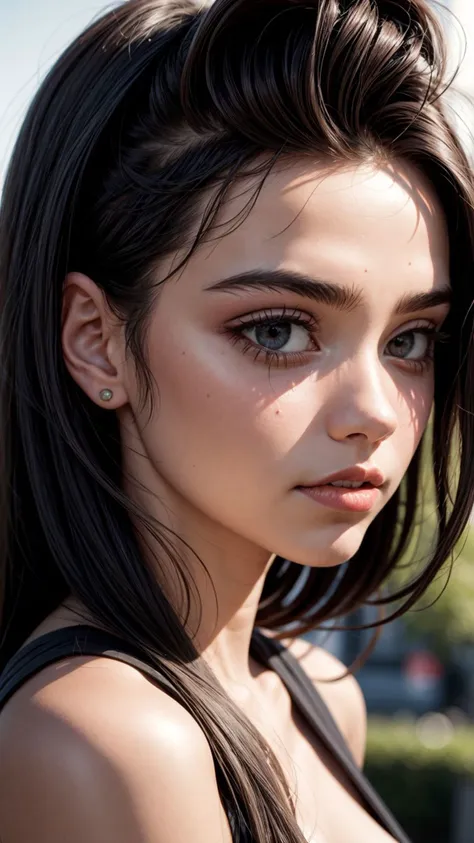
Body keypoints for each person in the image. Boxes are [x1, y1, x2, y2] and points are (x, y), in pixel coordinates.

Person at [0, 0, 473, 841]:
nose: (374, 411)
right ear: (97, 342)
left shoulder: (321, 693)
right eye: (277, 330)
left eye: (409, 339)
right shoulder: (100, 743)